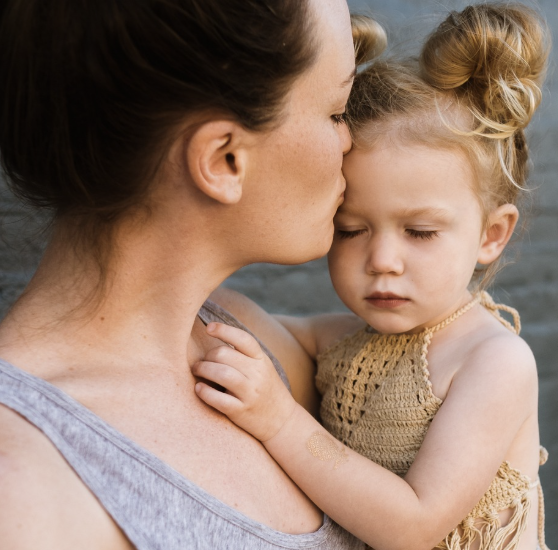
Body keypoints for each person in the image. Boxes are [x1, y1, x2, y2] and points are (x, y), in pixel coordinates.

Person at [0, 0, 378, 548]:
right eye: (338, 112)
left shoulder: (249, 344)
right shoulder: (25, 487)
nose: (351, 142)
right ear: (224, 159)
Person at [191, 4, 552, 550]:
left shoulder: (493, 362)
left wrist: (280, 421)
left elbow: (414, 524)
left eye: (421, 232)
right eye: (351, 229)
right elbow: (239, 320)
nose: (382, 258)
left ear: (490, 235)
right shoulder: (342, 342)